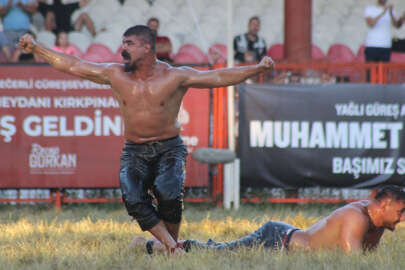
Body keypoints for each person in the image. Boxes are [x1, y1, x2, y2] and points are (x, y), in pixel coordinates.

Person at [18, 25, 274, 254]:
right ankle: (173, 248)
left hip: (169, 148)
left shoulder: (174, 76)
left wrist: (257, 68)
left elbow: (218, 77)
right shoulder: (114, 73)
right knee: (132, 197)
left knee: (169, 193)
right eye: (123, 43)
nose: (123, 49)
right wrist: (38, 48)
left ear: (147, 47)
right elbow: (73, 65)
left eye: (129, 44)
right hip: (134, 150)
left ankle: (166, 248)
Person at [129, 185, 405, 255]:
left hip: (286, 238)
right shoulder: (356, 217)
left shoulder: (376, 220)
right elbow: (353, 265)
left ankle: (158, 246)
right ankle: (149, 246)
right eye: (401, 212)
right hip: (277, 240)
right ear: (385, 204)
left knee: (221, 249)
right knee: (219, 252)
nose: (402, 219)